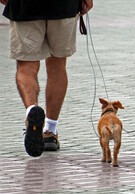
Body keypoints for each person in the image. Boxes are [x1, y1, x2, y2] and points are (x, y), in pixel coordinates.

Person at [1, 0, 93, 157]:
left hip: (25, 6)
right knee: (57, 66)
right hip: (63, 6)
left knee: (26, 66)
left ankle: (32, 110)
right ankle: (50, 130)